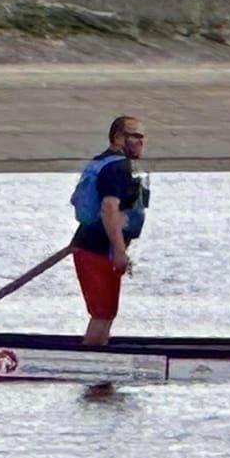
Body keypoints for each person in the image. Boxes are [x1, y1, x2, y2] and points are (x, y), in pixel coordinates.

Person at [70, 115, 148, 346]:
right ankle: (91, 367)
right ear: (117, 138)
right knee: (103, 314)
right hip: (97, 250)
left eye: (142, 136)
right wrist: (120, 251)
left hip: (92, 247)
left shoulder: (102, 162)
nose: (140, 141)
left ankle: (99, 373)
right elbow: (108, 207)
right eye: (134, 136)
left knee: (105, 313)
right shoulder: (117, 167)